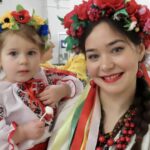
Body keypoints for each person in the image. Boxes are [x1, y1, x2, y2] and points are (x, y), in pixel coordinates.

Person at [48, 0, 150, 149]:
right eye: (94, 56)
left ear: (140, 50)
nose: (106, 65)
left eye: (117, 49)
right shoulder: (67, 115)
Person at [0, 4, 83, 150]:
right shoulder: (2, 93)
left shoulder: (44, 76)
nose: (23, 61)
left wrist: (62, 90)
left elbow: (78, 84)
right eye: (13, 53)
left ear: (40, 55)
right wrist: (22, 133)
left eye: (31, 53)